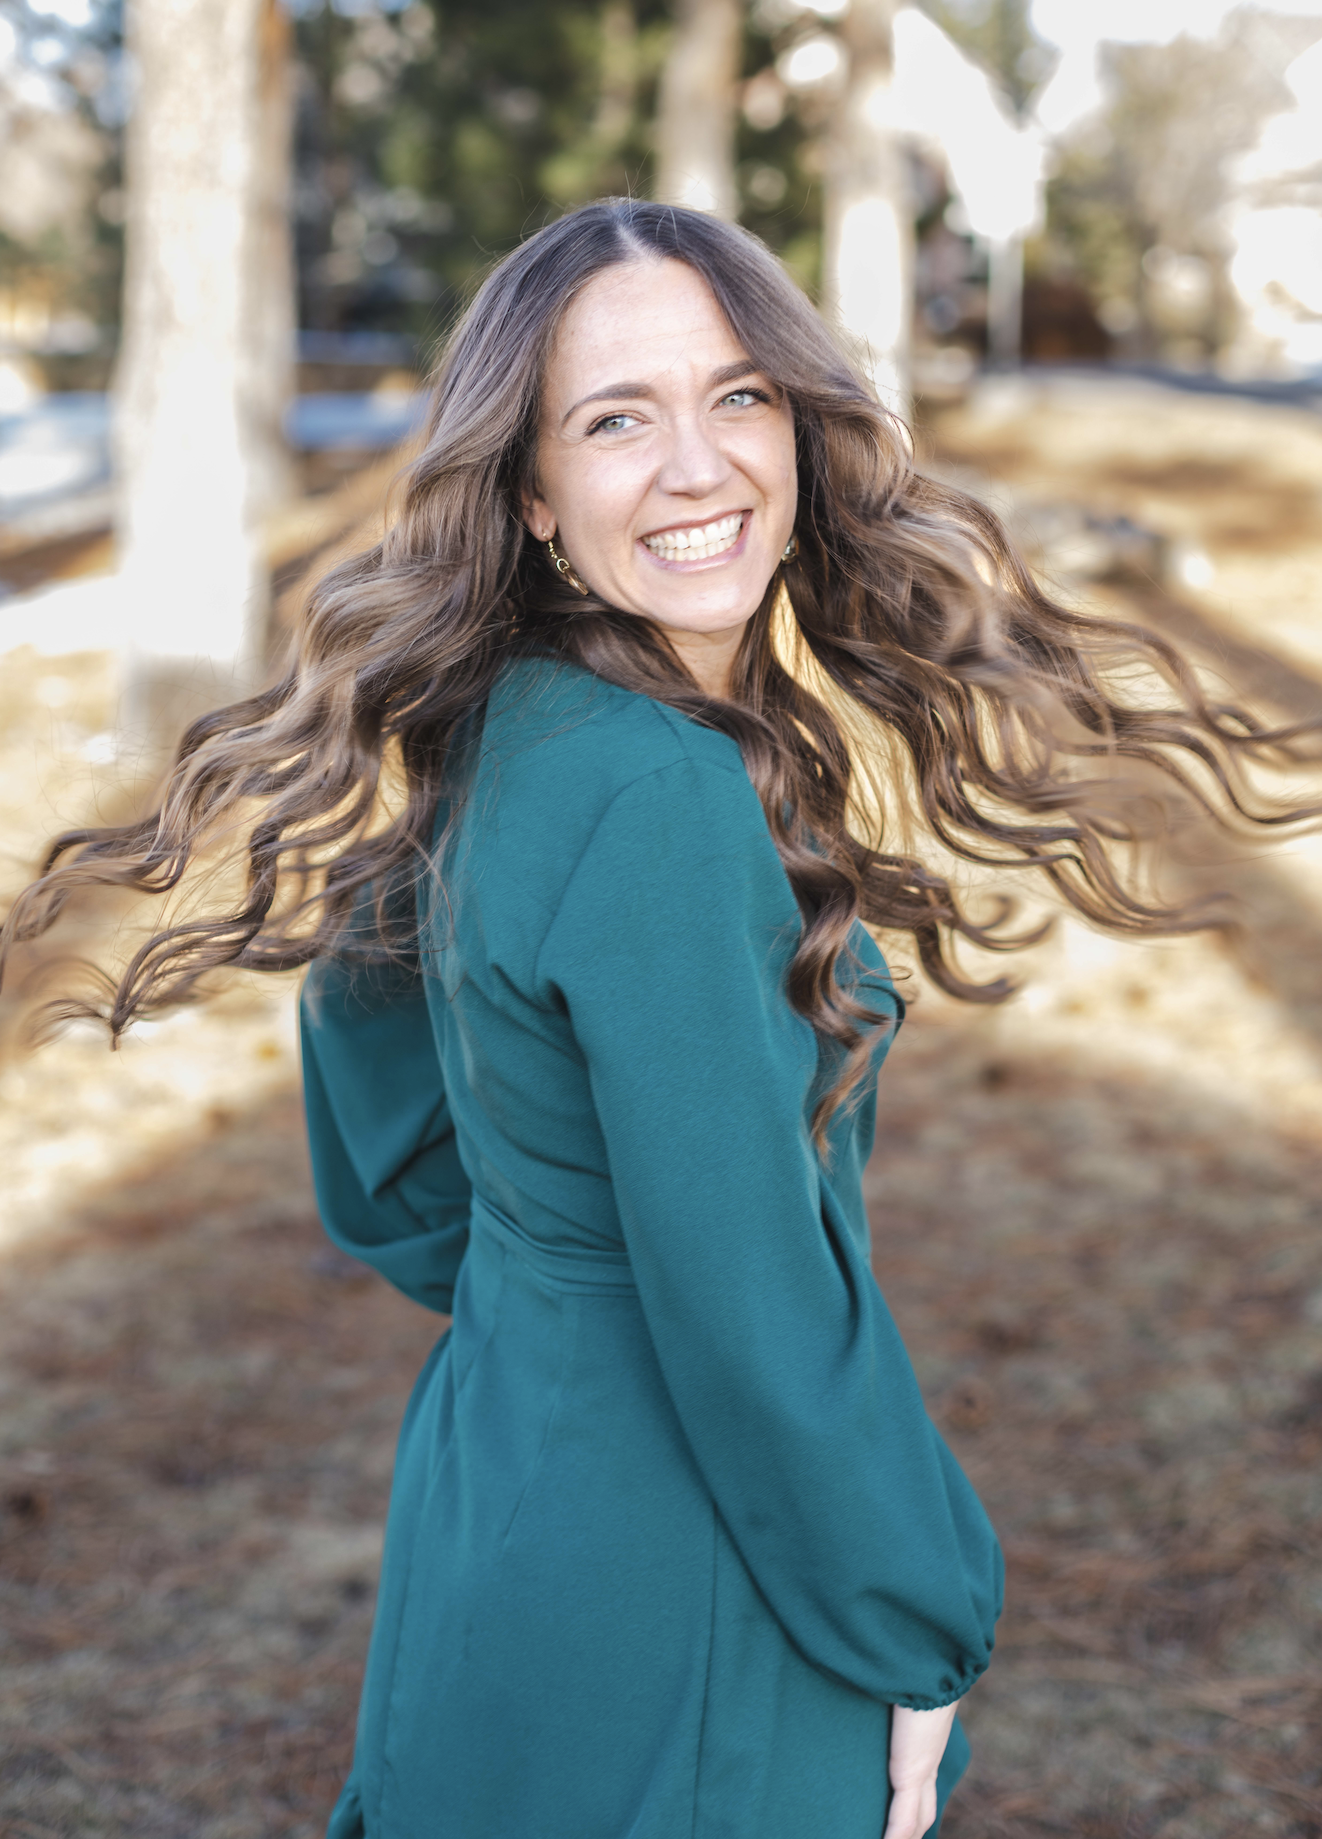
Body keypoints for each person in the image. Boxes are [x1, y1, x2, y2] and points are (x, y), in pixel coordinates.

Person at [2, 200, 1310, 1839]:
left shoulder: (506, 723)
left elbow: (384, 1157)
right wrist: (915, 1621)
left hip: (502, 1493)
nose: (700, 466)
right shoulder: (657, 793)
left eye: (737, 393)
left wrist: (555, 1286)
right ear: (532, 494)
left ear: (800, 423)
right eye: (616, 419)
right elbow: (749, 1299)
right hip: (682, 1568)